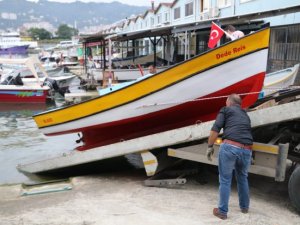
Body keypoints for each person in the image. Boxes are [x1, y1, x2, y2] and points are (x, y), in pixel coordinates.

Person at [206, 94, 253, 220]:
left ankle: (222, 211)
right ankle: (244, 207)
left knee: (225, 180)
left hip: (230, 147)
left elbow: (216, 129)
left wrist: (210, 146)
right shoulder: (245, 114)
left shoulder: (225, 110)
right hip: (247, 149)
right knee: (242, 177)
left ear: (229, 102)